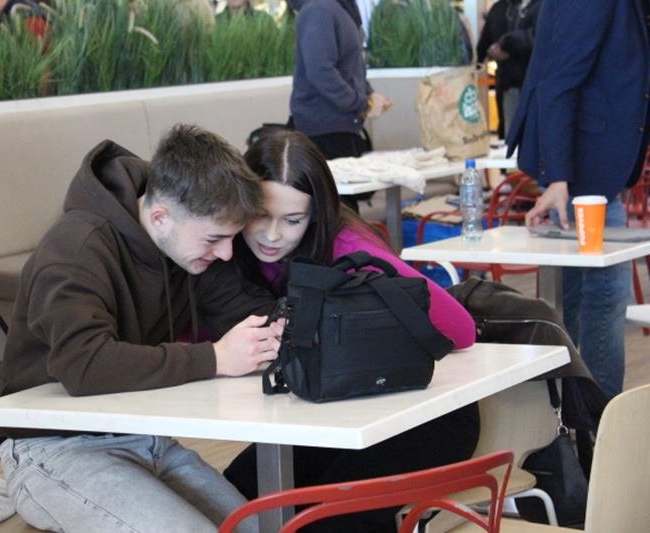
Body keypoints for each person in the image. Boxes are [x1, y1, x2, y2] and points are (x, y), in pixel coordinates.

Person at [0, 124, 282, 533]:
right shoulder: (75, 249)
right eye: (215, 239)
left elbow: (250, 310)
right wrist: (215, 357)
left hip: (143, 437)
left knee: (262, 528)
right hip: (49, 447)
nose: (227, 253)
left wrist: (286, 326)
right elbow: (85, 364)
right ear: (160, 217)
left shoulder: (189, 245)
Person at [223, 129, 479, 533]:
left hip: (421, 416)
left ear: (316, 215)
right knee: (231, 500)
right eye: (260, 215)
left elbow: (461, 330)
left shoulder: (349, 249)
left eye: (292, 220)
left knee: (325, 522)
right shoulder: (231, 248)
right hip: (330, 411)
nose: (272, 235)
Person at [507, 0, 650, 399]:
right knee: (604, 296)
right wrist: (558, 177)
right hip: (581, 170)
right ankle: (596, 418)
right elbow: (558, 81)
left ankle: (571, 412)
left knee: (577, 299)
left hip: (592, 165)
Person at [287, 0, 392, 211]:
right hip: (324, 131)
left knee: (345, 212)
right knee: (338, 213)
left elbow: (349, 67)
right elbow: (321, 71)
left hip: (340, 127)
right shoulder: (319, 9)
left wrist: (368, 95)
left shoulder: (338, 8)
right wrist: (361, 103)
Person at [475, 0, 541, 138]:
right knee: (511, 132)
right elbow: (484, 45)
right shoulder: (503, 9)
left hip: (529, 84)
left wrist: (505, 44)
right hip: (510, 83)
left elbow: (538, 39)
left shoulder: (539, 7)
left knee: (518, 133)